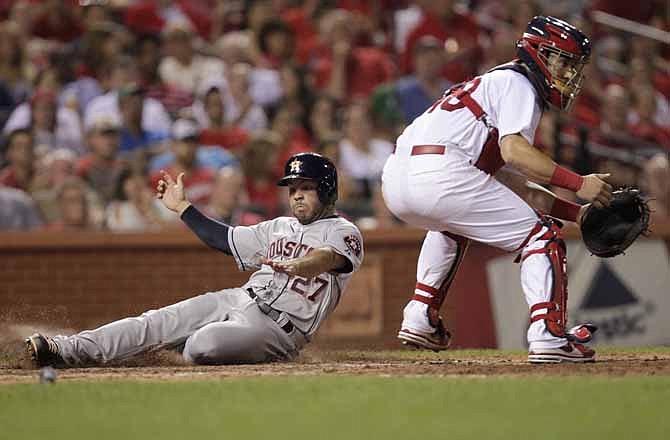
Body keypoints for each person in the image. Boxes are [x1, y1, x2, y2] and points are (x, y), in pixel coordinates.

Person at [381, 16, 612, 363]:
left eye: (570, 65)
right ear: (538, 54)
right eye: (562, 61)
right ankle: (548, 334)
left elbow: (511, 185)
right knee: (542, 237)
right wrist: (580, 184)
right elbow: (516, 154)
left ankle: (420, 316)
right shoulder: (520, 84)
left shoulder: (494, 85)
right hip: (442, 172)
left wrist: (575, 213)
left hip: (400, 175)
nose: (567, 73)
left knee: (451, 223)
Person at [26, 152, 364, 367]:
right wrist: (183, 209)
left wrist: (300, 266)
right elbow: (223, 239)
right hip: (238, 298)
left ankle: (162, 351)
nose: (297, 195)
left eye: (306, 187)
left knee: (205, 342)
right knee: (156, 321)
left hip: (278, 329)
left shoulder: (344, 231)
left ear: (328, 190)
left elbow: (328, 259)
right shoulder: (277, 227)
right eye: (292, 189)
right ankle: (63, 350)